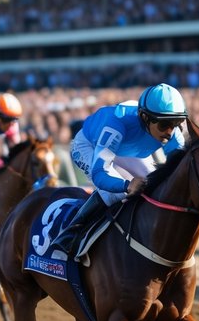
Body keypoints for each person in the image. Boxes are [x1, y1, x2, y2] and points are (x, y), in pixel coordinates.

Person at [48, 83, 188, 260]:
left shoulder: (171, 129)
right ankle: (71, 234)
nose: (170, 131)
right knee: (113, 193)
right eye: (165, 125)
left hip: (128, 150)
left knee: (152, 185)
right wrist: (127, 184)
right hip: (90, 145)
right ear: (145, 117)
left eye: (176, 124)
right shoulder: (116, 125)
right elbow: (100, 174)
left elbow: (179, 168)